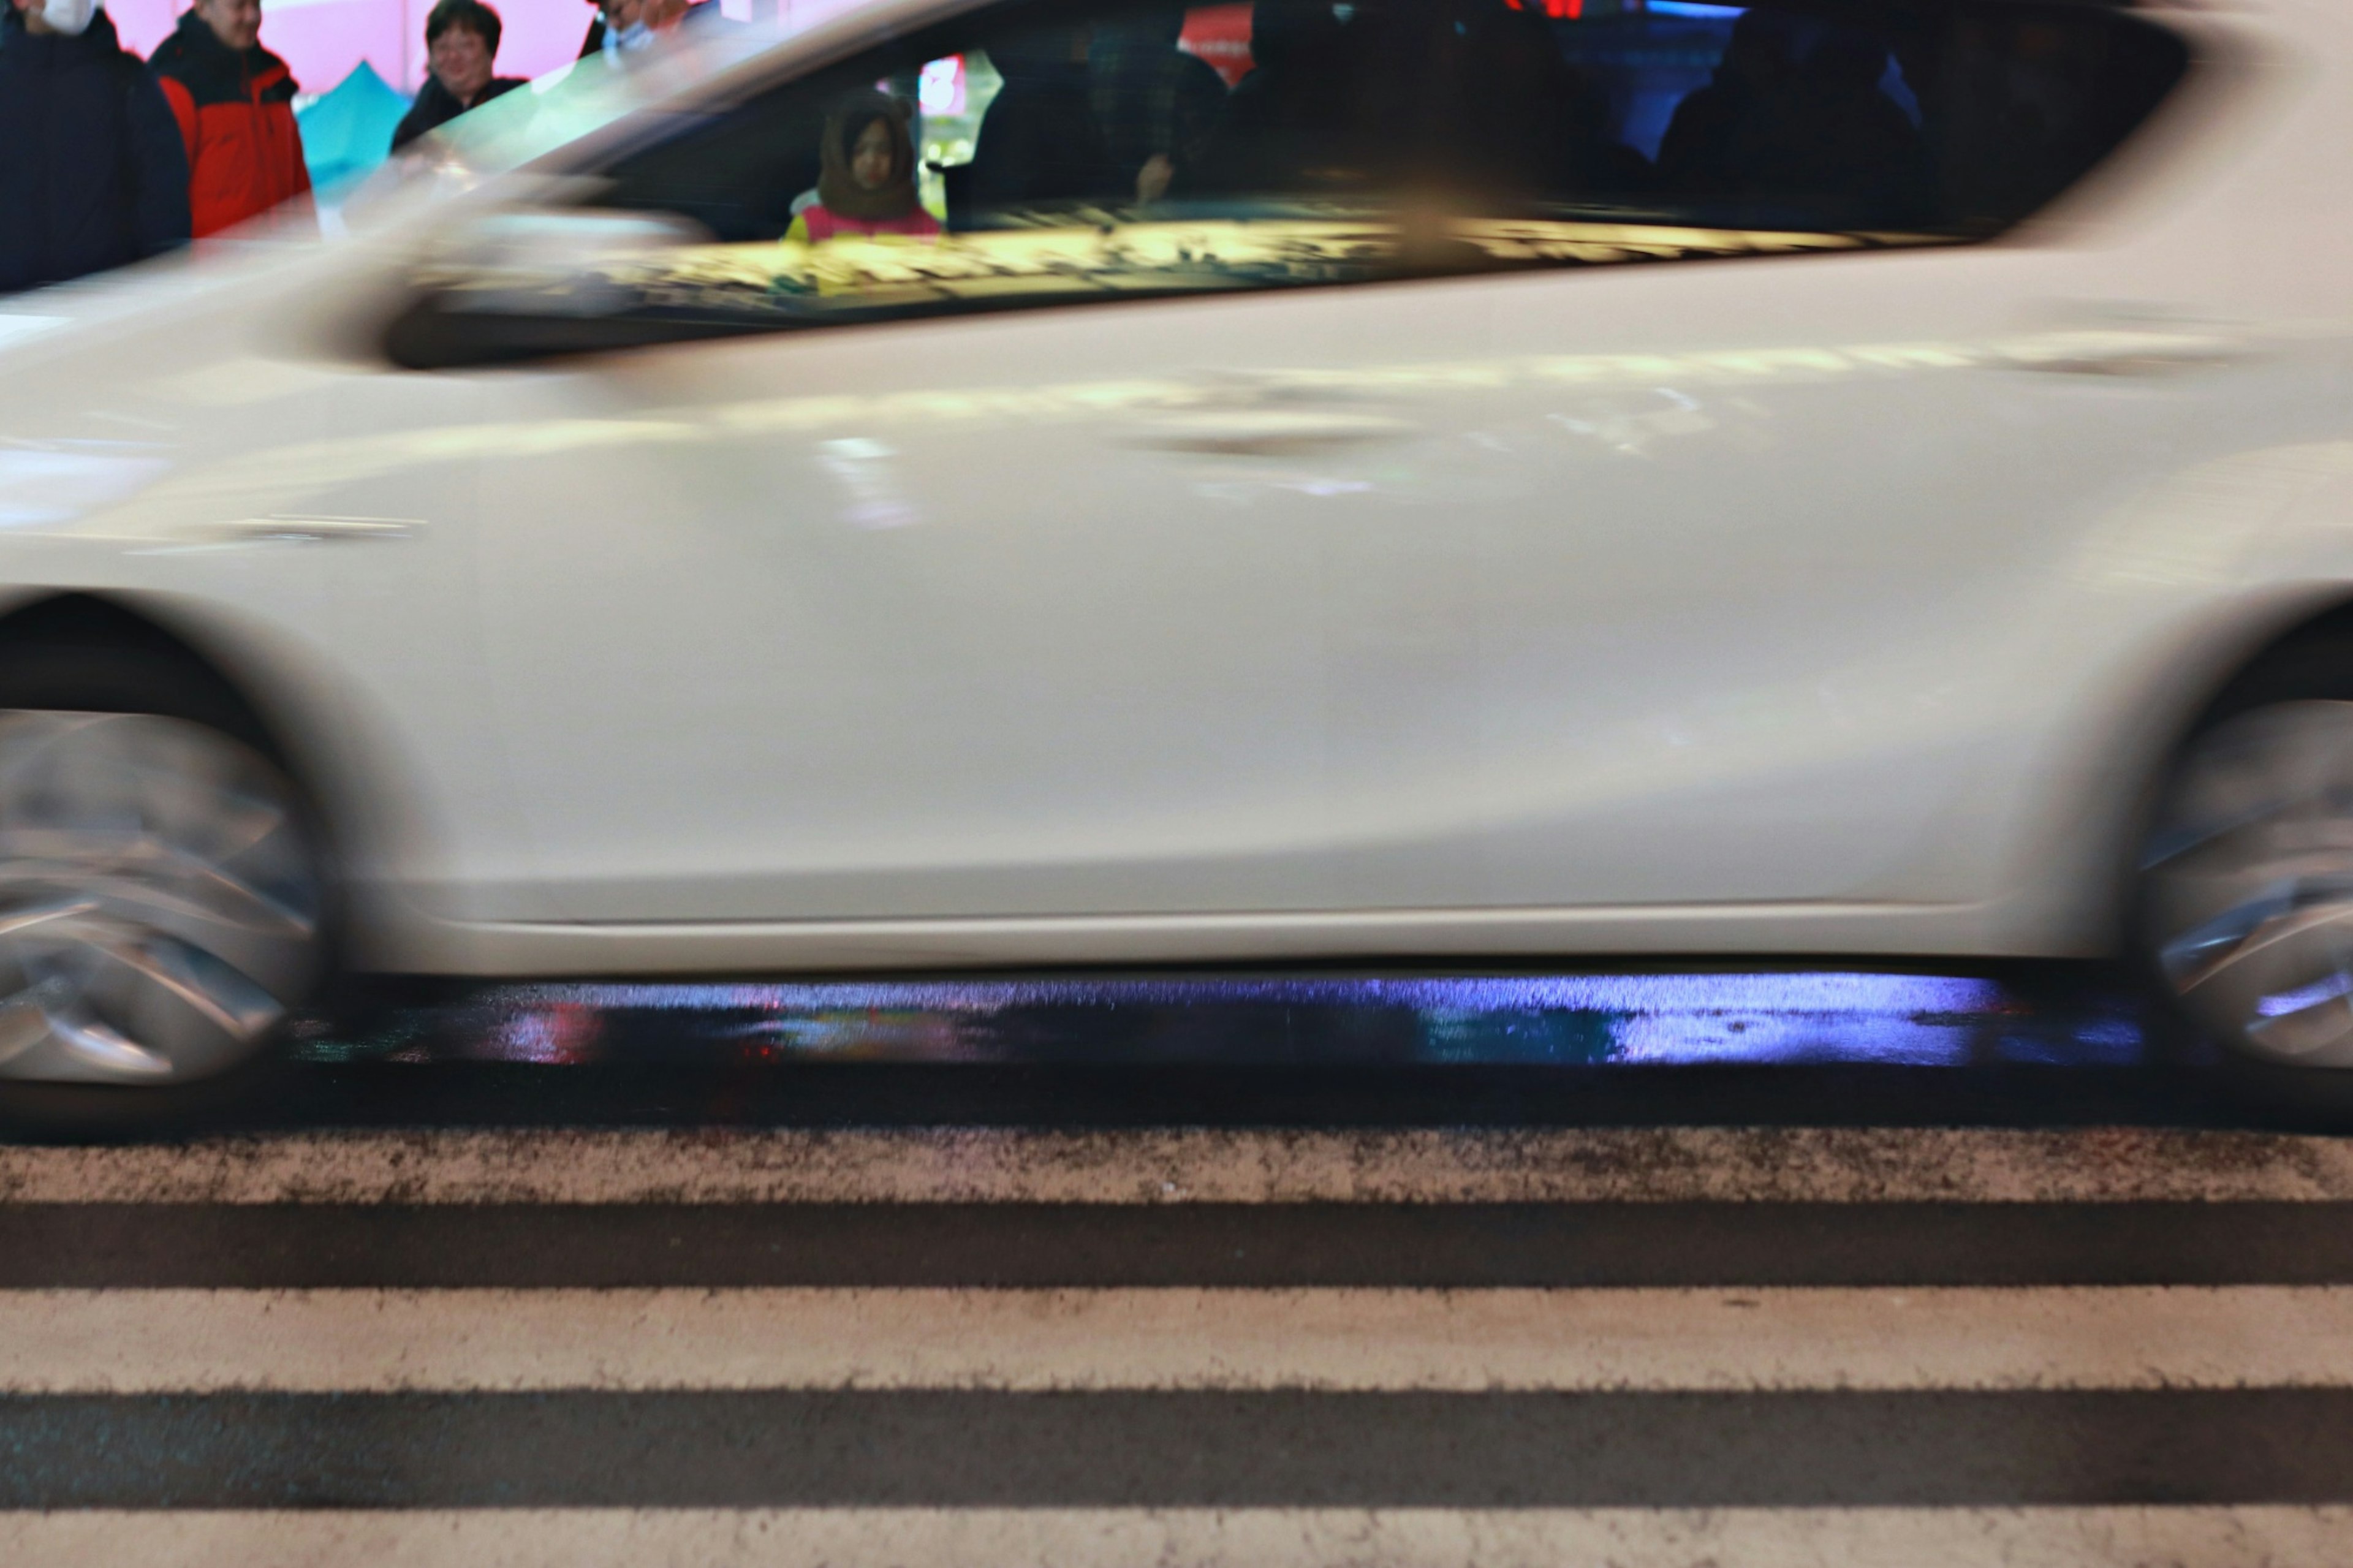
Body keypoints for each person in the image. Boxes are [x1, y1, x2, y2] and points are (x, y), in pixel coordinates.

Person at [0, 0, 190, 292]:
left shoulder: (128, 80)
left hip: (109, 314)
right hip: (14, 322)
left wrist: (156, 295)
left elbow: (164, 203)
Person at [148, 0, 310, 237]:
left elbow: (300, 187)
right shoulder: (174, 83)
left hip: (285, 265)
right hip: (216, 271)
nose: (252, 16)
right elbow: (159, 201)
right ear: (203, 8)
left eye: (256, 4)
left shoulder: (273, 75)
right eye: (238, 6)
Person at [1087, 9, 1226, 203]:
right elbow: (1217, 168)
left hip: (1087, 218)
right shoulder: (1193, 75)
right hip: (1176, 221)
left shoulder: (1082, 71)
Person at [785, 92, 941, 244]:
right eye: (859, 150)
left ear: (900, 156)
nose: (872, 161)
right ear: (838, 155)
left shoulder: (925, 228)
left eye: (884, 150)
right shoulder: (811, 226)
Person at [390, 0, 525, 153]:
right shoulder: (415, 126)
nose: (453, 56)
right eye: (442, 47)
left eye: (466, 45)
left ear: (491, 50)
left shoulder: (521, 102)